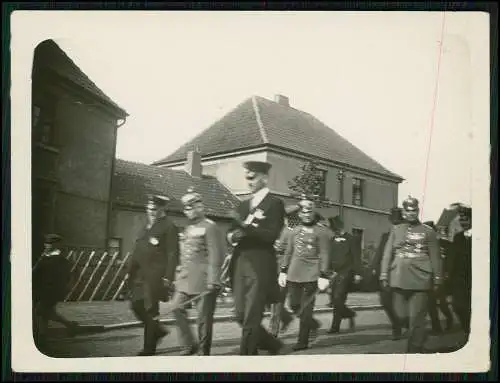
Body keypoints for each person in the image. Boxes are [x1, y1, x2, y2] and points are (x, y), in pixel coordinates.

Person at [226, 161, 285, 355]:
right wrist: (233, 235)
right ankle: (271, 343)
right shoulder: (243, 205)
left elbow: (271, 234)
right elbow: (230, 233)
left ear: (264, 178)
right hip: (240, 263)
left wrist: (244, 228)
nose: (249, 181)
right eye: (247, 177)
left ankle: (247, 359)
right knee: (241, 315)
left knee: (251, 317)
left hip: (260, 266)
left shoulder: (274, 204)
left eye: (253, 177)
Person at [380, 196, 442, 353]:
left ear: (418, 211)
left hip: (421, 279)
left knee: (416, 318)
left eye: (413, 210)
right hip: (398, 277)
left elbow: (435, 257)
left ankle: (414, 350)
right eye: (407, 210)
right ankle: (419, 336)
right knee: (400, 316)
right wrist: (383, 274)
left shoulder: (428, 232)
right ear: (404, 212)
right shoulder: (396, 230)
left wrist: (437, 279)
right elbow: (387, 254)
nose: (410, 213)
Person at [171, 188, 225, 356]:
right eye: (186, 208)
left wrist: (213, 280)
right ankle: (189, 344)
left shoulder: (210, 227)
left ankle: (203, 353)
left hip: (204, 281)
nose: (188, 211)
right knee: (175, 307)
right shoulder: (188, 229)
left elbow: (217, 255)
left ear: (200, 207)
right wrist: (178, 277)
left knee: (203, 319)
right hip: (186, 280)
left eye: (192, 207)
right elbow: (184, 256)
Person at [127, 194, 180, 356]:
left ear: (162, 209)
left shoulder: (169, 226)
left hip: (155, 276)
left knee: (150, 310)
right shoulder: (146, 226)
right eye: (148, 208)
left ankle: (149, 349)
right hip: (139, 275)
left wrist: (168, 277)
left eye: (154, 209)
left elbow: (173, 254)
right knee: (135, 305)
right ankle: (157, 330)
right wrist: (130, 270)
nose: (150, 211)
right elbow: (138, 250)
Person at [279, 196, 333, 351]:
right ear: (300, 214)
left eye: (310, 211)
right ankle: (313, 324)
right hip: (294, 273)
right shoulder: (294, 232)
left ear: (313, 212)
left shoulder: (321, 231)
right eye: (304, 212)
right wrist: (283, 271)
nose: (307, 214)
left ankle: (302, 341)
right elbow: (288, 252)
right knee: (294, 305)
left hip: (312, 274)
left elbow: (324, 253)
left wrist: (323, 274)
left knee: (306, 308)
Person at [33, 234, 80, 350]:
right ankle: (43, 338)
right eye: (46, 243)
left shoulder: (57, 259)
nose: (46, 245)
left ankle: (69, 325)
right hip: (45, 289)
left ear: (55, 245)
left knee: (40, 311)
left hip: (50, 291)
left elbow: (63, 276)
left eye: (48, 244)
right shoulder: (48, 257)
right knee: (45, 314)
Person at [371, 207, 406, 340]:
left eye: (399, 222)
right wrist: (374, 268)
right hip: (386, 274)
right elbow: (379, 253)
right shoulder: (385, 236)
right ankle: (397, 324)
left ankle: (403, 325)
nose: (396, 225)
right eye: (394, 222)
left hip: (402, 274)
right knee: (385, 302)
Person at [327, 215, 363, 334]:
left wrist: (358, 273)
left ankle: (335, 327)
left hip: (346, 272)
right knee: (334, 300)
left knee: (338, 298)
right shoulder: (332, 240)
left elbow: (357, 257)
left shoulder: (351, 239)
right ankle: (349, 313)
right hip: (334, 273)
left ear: (339, 227)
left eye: (334, 229)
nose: (333, 231)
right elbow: (329, 256)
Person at [269, 204, 300, 337]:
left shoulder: (289, 233)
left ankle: (273, 331)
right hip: (270, 271)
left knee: (277, 302)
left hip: (283, 272)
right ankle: (286, 318)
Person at [423, 221, 455, 334]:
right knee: (431, 303)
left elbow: (450, 259)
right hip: (428, 278)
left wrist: (447, 272)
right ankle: (436, 328)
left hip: (441, 277)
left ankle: (449, 319)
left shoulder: (444, 244)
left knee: (441, 303)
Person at [448, 204, 472, 338]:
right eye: (461, 220)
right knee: (458, 306)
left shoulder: (483, 235)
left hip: (476, 280)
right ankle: (466, 330)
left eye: (466, 219)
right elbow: (453, 258)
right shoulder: (458, 237)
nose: (463, 222)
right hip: (459, 280)